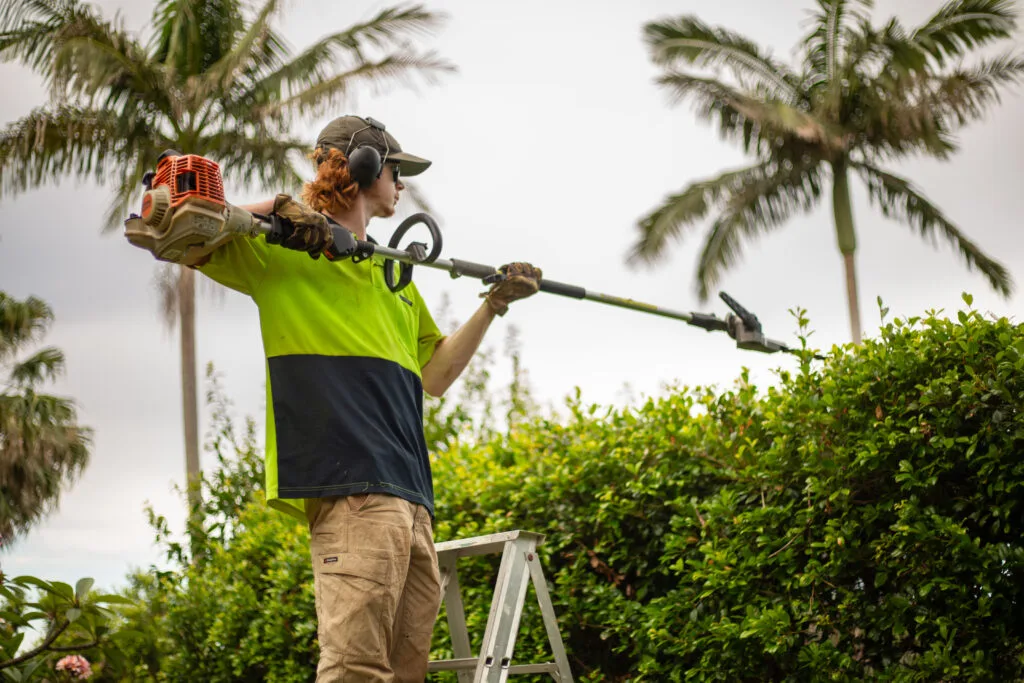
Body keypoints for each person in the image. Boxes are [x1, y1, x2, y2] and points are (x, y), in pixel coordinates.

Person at [192, 114, 542, 681]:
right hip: (352, 489)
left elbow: (435, 374)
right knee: (355, 668)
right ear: (362, 167)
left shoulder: (392, 273)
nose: (401, 185)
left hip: (411, 499)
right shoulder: (279, 250)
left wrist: (494, 302)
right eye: (395, 171)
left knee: (406, 672)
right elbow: (176, 225)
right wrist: (279, 213)